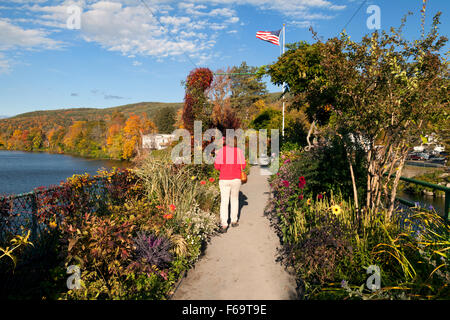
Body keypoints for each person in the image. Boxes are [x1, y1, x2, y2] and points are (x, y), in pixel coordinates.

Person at [214, 135, 246, 233]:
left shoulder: (222, 151)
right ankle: (234, 220)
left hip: (224, 179)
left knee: (224, 201)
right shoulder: (239, 151)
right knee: (235, 199)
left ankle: (224, 224)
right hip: (236, 179)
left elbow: (217, 166)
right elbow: (243, 166)